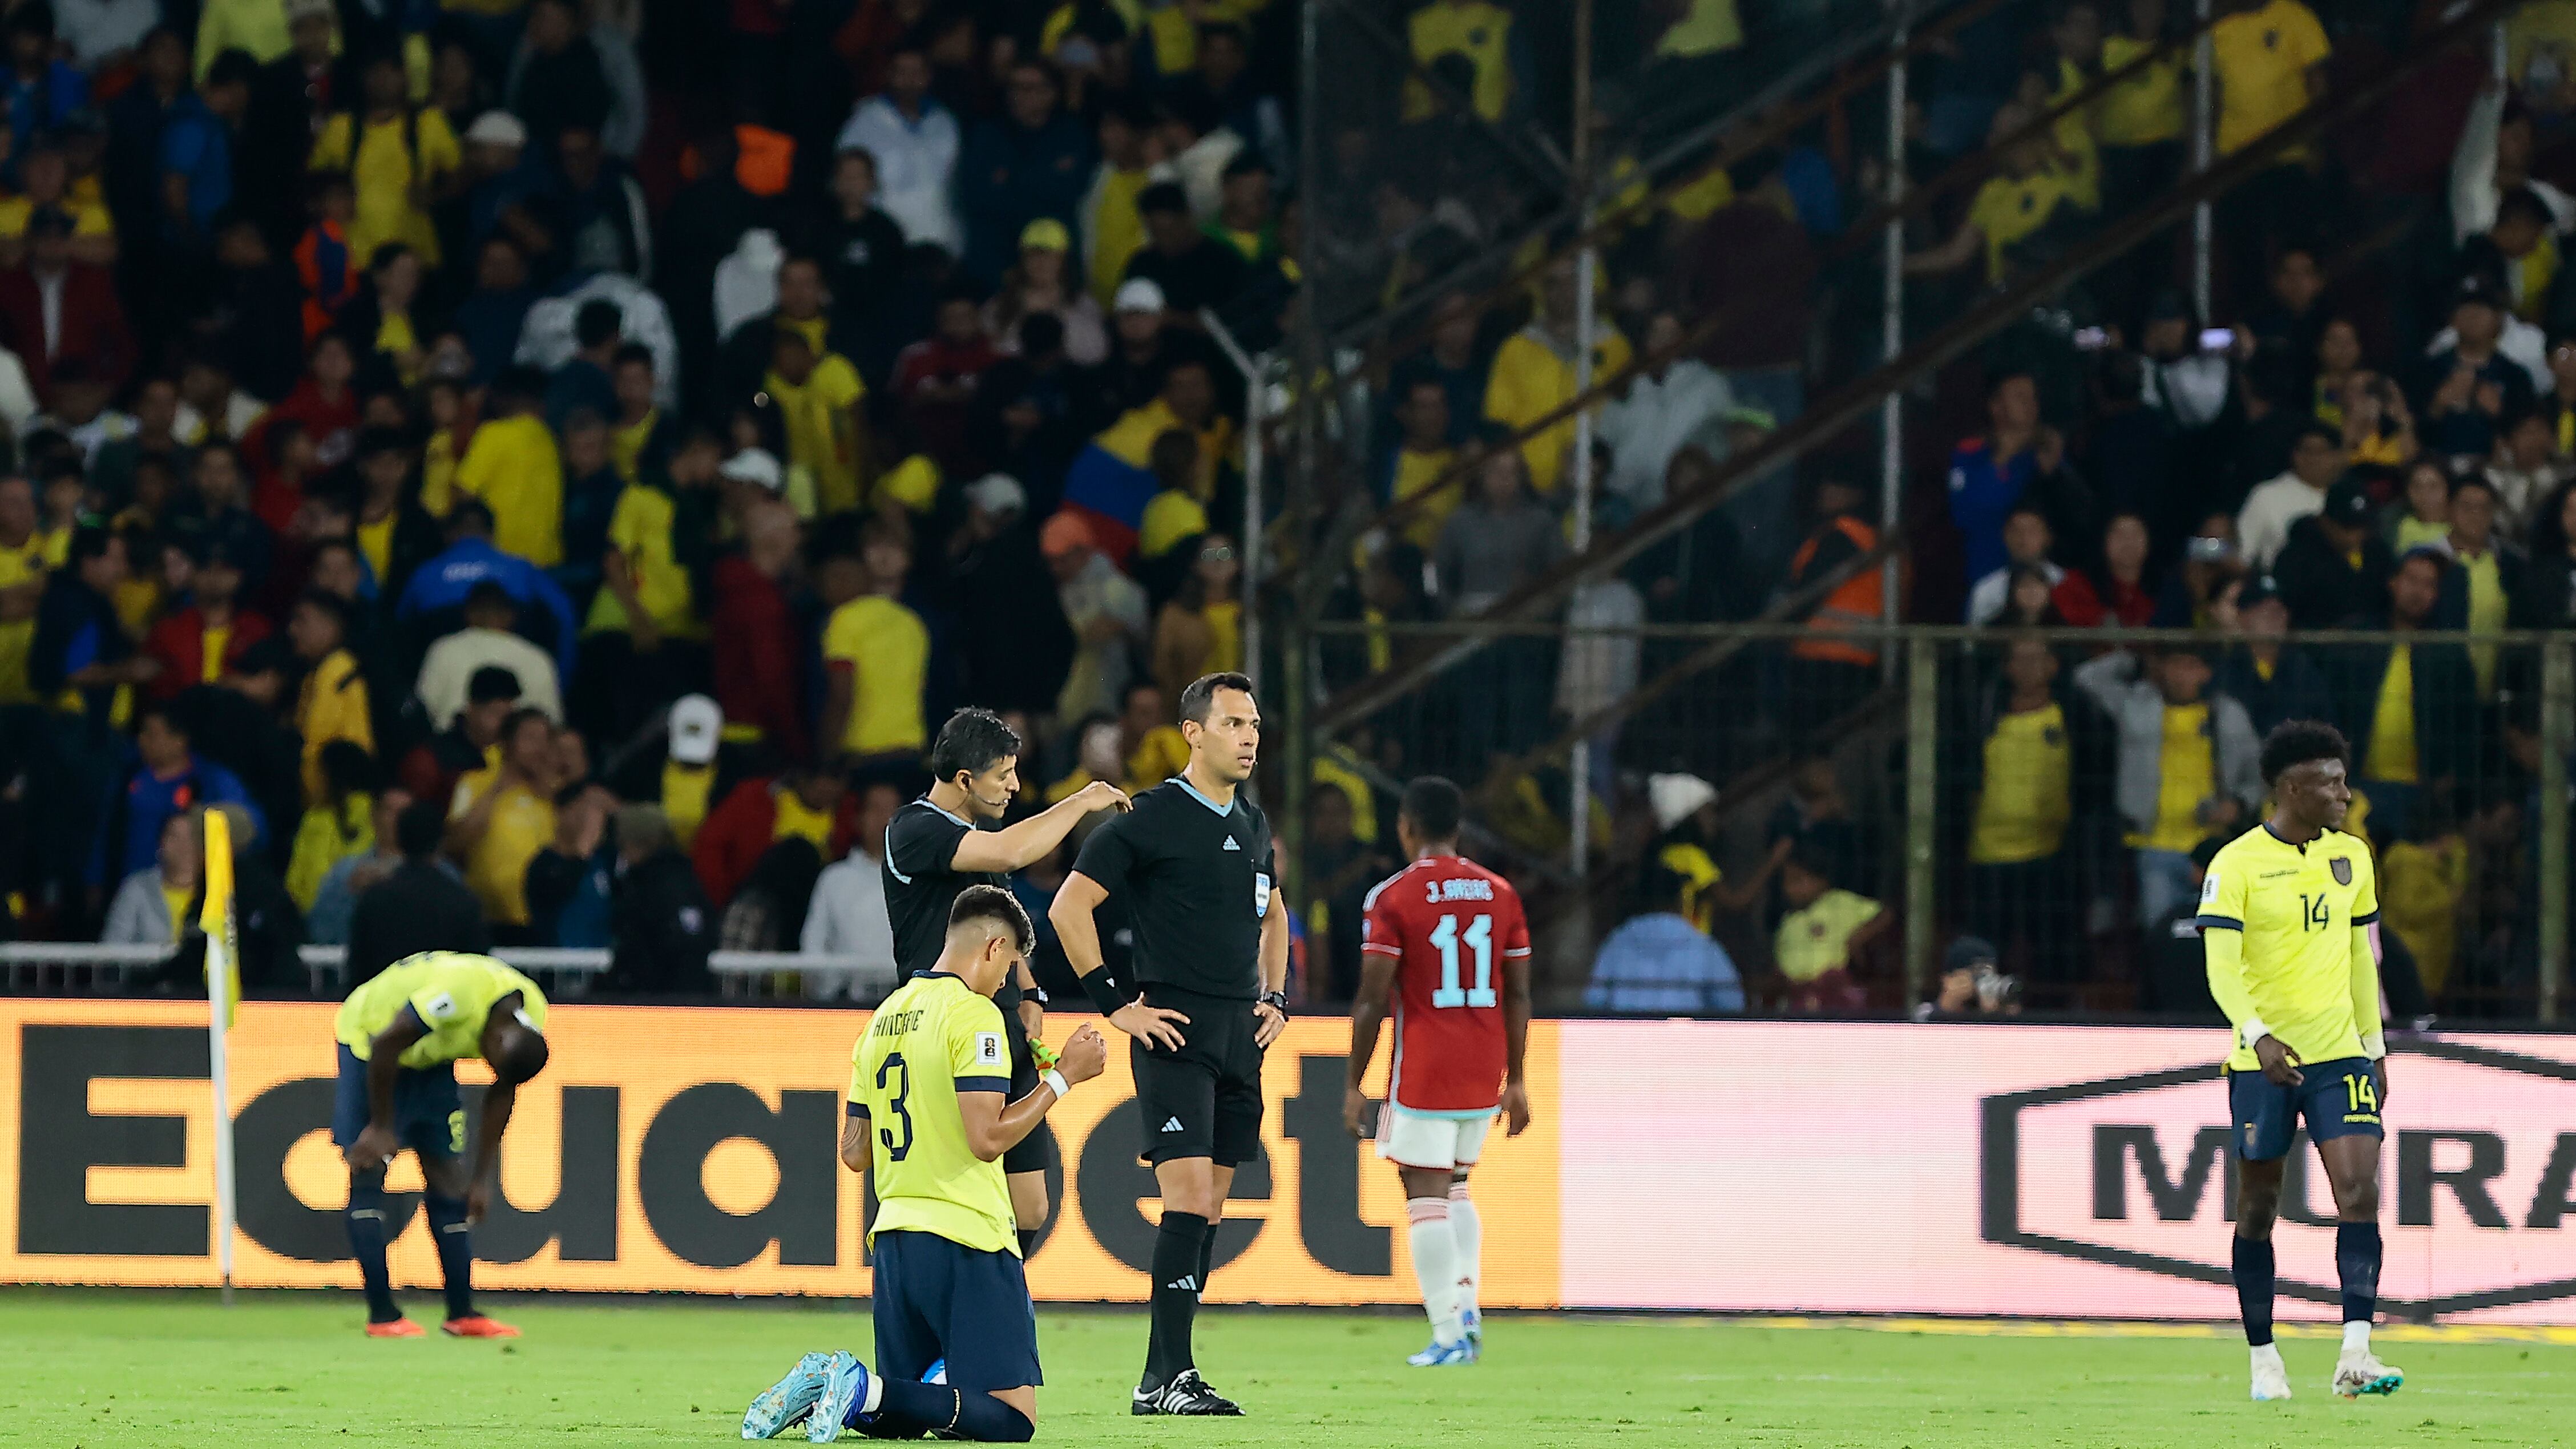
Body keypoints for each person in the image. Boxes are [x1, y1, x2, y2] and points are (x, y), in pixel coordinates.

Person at [740, 886, 1108, 1443]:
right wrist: (1064, 1077)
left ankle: (829, 1386)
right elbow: (987, 1138)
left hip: (894, 1241)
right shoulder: (975, 1015)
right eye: (1009, 965)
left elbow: (854, 1151)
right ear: (994, 947)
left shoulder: (883, 1018)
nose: (1005, 982)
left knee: (907, 1415)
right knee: (1011, 1418)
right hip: (966, 1235)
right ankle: (854, 1384)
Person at [1048, 672, 1287, 1416]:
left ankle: (1162, 1378)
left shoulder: (1252, 822)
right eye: (1233, 723)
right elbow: (1068, 906)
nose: (1248, 737)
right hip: (1175, 1029)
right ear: (1193, 732)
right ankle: (1171, 1374)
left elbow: (1274, 913)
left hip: (1239, 1036)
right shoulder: (1150, 817)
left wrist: (1276, 997)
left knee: (1209, 1208)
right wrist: (1117, 1005)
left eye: (1253, 724)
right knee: (1185, 1198)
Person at [2194, 719, 2400, 1402]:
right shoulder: (2235, 864)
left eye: (2344, 780)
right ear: (2291, 789)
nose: (2345, 794)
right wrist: (2257, 1035)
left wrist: (2372, 1045)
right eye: (2330, 783)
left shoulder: (2352, 856)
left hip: (2338, 1053)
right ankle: (2263, 1359)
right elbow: (2220, 969)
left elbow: (2358, 957)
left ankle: (2355, 1354)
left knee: (2358, 1192)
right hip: (2262, 1061)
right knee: (2257, 1206)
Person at [887, 708, 1132, 1253]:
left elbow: (1006, 921)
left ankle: (988, 1287)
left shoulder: (984, 834)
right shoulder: (914, 828)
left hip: (999, 1021)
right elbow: (1013, 852)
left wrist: (1030, 991)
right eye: (1003, 775)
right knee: (961, 1177)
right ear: (965, 779)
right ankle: (960, 1290)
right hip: (944, 1025)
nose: (1015, 786)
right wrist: (1082, 800)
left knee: (1031, 1206)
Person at [1341, 775, 1532, 1366]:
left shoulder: (1392, 896)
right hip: (1484, 1066)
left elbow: (1372, 998)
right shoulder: (1501, 892)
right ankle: (1467, 1313)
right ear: (1458, 828)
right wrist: (1517, 1078)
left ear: (1405, 827)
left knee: (1423, 1192)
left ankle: (1449, 1332)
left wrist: (1353, 1082)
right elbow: (1518, 992)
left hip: (1426, 1066)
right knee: (1456, 1187)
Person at [333, 951, 548, 1337]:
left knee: (450, 1179)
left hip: (430, 1054)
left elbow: (503, 1090)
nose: (488, 1066)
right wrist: (382, 1126)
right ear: (496, 1036)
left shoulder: (531, 1013)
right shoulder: (457, 995)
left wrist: (481, 1179)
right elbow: (386, 1044)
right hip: (372, 1040)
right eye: (491, 1060)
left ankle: (462, 1314)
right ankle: (383, 1316)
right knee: (369, 1166)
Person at [345, 797, 492, 983]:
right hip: (445, 999)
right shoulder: (463, 901)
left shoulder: (373, 900)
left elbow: (358, 969)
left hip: (388, 998)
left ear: (400, 839)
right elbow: (478, 969)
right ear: (440, 841)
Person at [600, 804, 714, 995]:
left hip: (657, 998)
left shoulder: (653, 885)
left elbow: (671, 947)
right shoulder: (685, 877)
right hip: (685, 997)